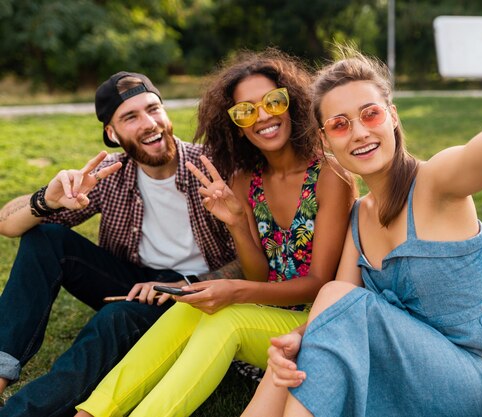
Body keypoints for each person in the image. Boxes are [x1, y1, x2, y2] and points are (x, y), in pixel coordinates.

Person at [251, 2, 482, 417]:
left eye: (370, 114)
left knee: (337, 298)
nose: (359, 132)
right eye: (340, 125)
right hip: (409, 383)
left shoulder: (437, 183)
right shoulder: (358, 217)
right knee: (298, 348)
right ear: (326, 142)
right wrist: (299, 337)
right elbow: (335, 313)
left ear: (391, 117)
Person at [74, 49, 355, 417]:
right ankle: (92, 412)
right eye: (245, 111)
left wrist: (235, 291)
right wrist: (238, 222)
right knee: (185, 310)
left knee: (227, 317)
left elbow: (320, 283)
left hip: (315, 323)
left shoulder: (330, 177)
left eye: (273, 101)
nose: (263, 117)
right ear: (234, 123)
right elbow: (259, 274)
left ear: (293, 103)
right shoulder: (244, 180)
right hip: (268, 310)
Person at [0, 71, 237, 416]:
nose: (149, 123)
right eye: (131, 117)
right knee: (45, 238)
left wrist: (184, 286)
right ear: (111, 133)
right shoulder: (110, 175)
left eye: (153, 109)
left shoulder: (212, 166)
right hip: (133, 282)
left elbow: (256, 257)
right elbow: (7, 223)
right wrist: (47, 200)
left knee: (116, 318)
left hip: (200, 293)